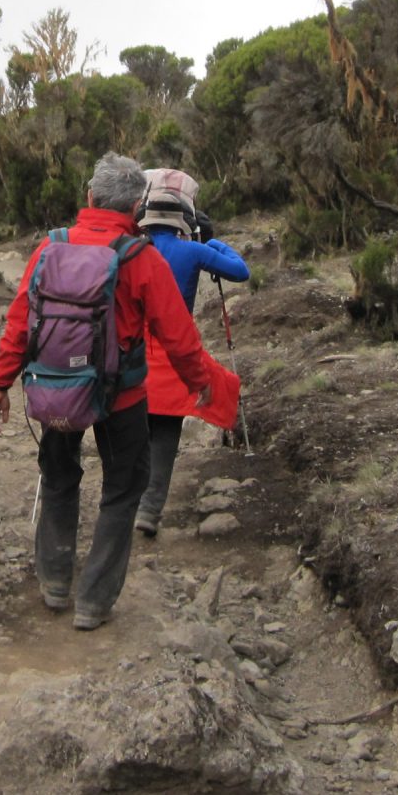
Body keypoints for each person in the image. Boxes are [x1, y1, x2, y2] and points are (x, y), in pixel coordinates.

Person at [0, 153, 219, 630]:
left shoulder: (49, 248)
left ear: (88, 198)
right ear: (137, 208)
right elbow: (178, 335)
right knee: (124, 486)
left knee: (58, 475)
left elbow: (19, 323)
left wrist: (0, 383)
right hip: (124, 398)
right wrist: (200, 384)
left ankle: (54, 582)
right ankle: (93, 601)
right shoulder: (140, 258)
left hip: (55, 392)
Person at [134, 169, 249, 537]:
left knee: (135, 430)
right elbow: (240, 271)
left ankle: (128, 502)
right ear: (183, 219)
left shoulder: (133, 248)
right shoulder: (193, 250)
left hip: (134, 349)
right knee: (166, 432)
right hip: (175, 351)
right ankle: (149, 510)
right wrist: (214, 245)